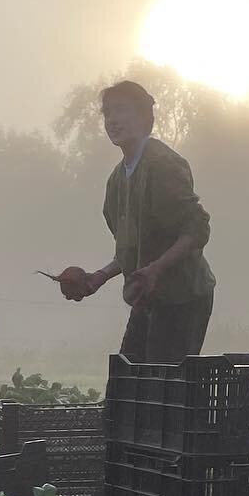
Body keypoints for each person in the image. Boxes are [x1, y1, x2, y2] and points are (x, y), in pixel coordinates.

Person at [58, 80, 215, 363]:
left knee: (161, 387)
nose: (113, 120)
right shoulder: (116, 182)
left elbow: (197, 229)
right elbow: (131, 250)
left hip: (184, 297)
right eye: (107, 113)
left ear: (145, 117)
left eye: (121, 110)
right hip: (147, 297)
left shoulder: (164, 164)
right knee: (127, 379)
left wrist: (156, 269)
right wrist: (99, 277)